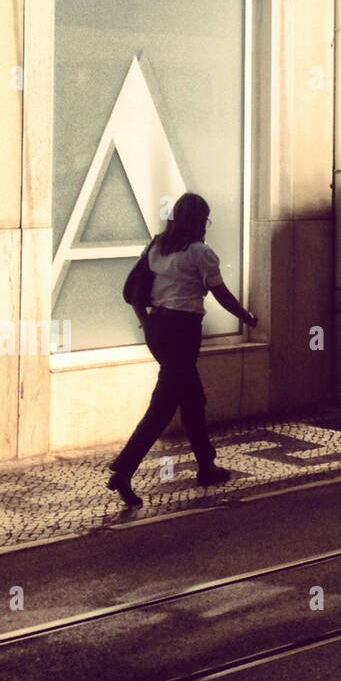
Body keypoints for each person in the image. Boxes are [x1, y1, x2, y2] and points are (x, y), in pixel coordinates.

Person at [106, 193, 257, 508]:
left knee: (192, 399)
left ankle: (206, 467)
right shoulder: (201, 253)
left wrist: (146, 323)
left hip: (158, 329)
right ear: (200, 221)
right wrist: (246, 316)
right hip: (182, 331)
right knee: (162, 407)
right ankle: (123, 469)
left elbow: (135, 289)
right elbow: (221, 294)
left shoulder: (157, 246)